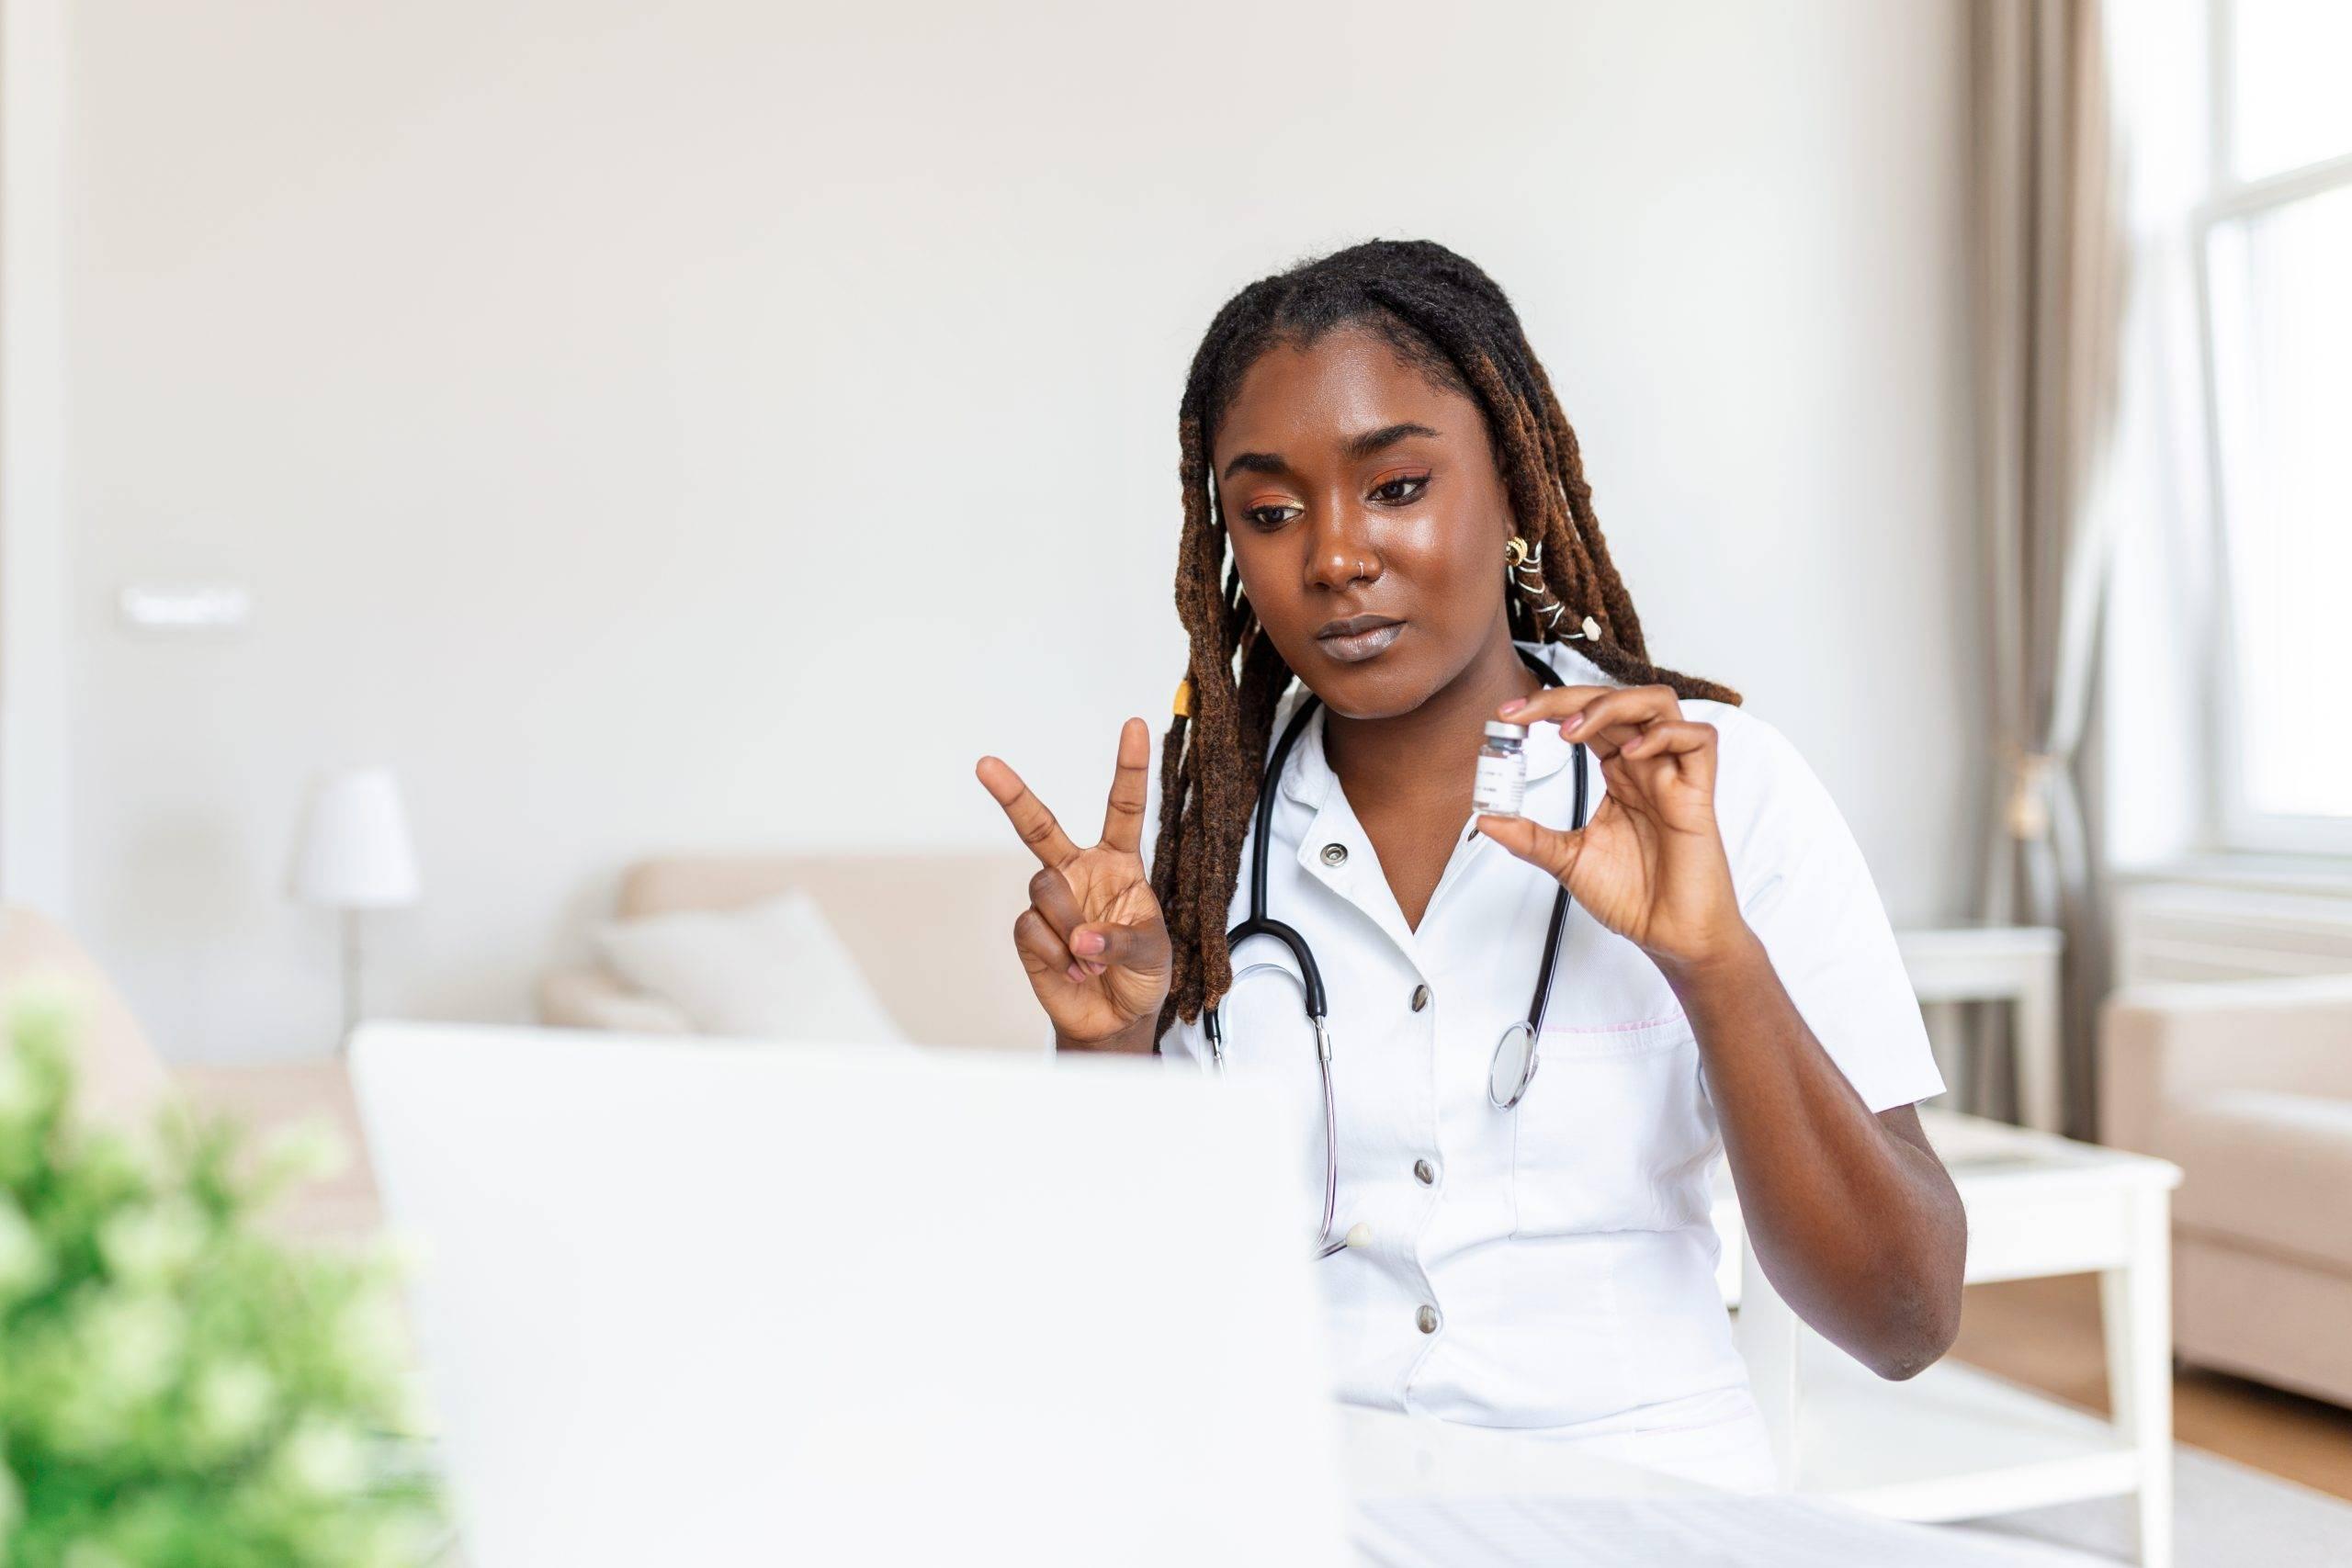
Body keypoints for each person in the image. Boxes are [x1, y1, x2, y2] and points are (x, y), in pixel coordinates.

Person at [973, 239, 1964, 1492]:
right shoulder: (1198, 839)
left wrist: (1714, 965)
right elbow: (1113, 1314)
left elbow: (1907, 1321)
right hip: (1289, 1494)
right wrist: (1105, 1048)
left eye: (1394, 487)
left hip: (1638, 1507)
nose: (1333, 556)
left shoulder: (1718, 790)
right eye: (1271, 513)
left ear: (1513, 485)